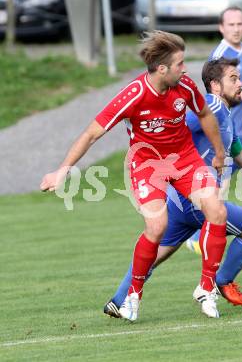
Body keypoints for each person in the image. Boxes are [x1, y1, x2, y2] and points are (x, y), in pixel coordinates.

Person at [40, 31, 228, 321]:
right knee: (157, 226)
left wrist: (217, 153)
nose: (186, 69)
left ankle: (206, 288)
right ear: (162, 69)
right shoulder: (134, 95)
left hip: (185, 160)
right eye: (179, 64)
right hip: (147, 165)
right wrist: (62, 170)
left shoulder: (185, 86)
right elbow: (91, 133)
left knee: (217, 210)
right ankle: (132, 297)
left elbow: (204, 115)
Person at [104, 57, 242, 319]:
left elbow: (239, 154)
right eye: (233, 79)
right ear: (214, 85)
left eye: (239, 78)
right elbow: (175, 125)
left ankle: (119, 299)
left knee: (156, 252)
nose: (240, 84)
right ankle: (219, 282)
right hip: (195, 197)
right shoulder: (210, 106)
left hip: (182, 200)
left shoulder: (225, 116)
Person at [187, 6, 242, 253]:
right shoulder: (220, 54)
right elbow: (215, 93)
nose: (236, 29)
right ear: (221, 28)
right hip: (226, 134)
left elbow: (237, 85)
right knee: (218, 191)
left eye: (240, 24)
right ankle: (194, 237)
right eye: (231, 25)